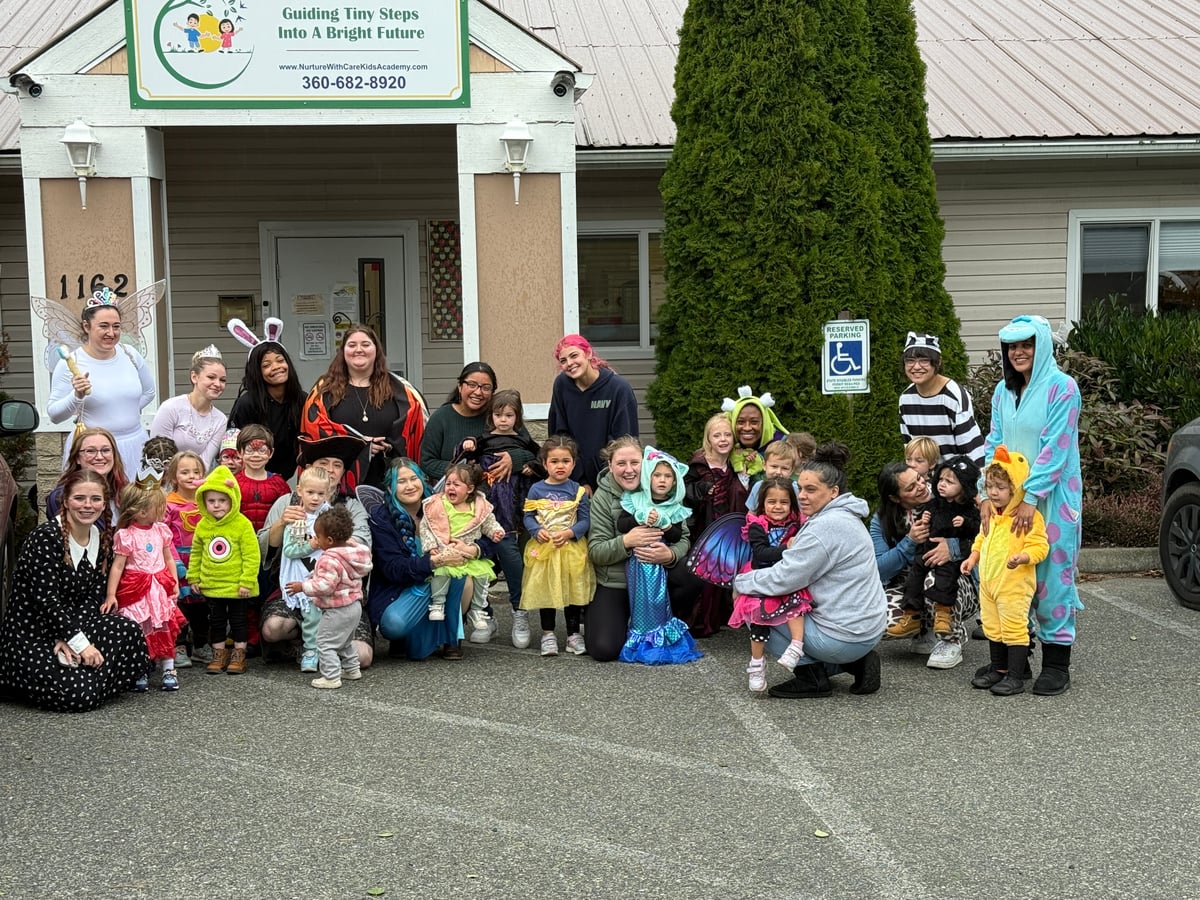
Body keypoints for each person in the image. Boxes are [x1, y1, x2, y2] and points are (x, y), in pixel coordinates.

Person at [732, 443, 886, 699]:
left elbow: (784, 579)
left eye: (811, 490)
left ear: (834, 491)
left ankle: (813, 678)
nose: (801, 495)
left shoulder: (825, 527)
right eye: (800, 488)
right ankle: (856, 662)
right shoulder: (848, 515)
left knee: (752, 604)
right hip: (868, 629)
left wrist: (740, 582)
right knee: (781, 601)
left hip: (844, 636)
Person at [980, 314, 1082, 695]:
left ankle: (1057, 666)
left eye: (1027, 345)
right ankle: (1012, 665)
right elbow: (994, 444)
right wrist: (983, 493)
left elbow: (1056, 447)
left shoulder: (1062, 388)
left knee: (1052, 579)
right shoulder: (1002, 392)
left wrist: (1032, 497)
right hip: (1006, 503)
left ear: (1041, 347)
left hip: (1052, 501)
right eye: (1012, 347)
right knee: (1007, 578)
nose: (1019, 353)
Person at [0, 469, 150, 712]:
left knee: (129, 632)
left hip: (69, 626)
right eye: (80, 498)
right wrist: (78, 642)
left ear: (104, 504)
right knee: (80, 695)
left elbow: (93, 599)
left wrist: (72, 638)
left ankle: (81, 678)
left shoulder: (101, 539)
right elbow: (45, 601)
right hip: (33, 634)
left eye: (95, 499)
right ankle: (71, 682)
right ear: (66, 501)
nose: (87, 505)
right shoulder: (46, 538)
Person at [258, 435, 376, 667]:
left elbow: (362, 545)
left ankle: (324, 645)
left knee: (362, 656)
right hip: (294, 587)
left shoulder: (351, 505)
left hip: (339, 591)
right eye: (324, 463)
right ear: (309, 468)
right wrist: (282, 524)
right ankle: (307, 645)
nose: (331, 471)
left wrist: (326, 533)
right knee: (273, 629)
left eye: (337, 465)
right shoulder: (286, 502)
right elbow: (263, 549)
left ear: (343, 472)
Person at [587, 436, 697, 662]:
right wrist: (627, 541)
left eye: (635, 463)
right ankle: (619, 620)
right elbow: (596, 551)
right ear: (610, 466)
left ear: (645, 463)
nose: (629, 470)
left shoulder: (662, 485)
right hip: (618, 582)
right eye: (621, 464)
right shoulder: (603, 496)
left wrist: (670, 555)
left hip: (658, 577)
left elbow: (683, 537)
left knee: (692, 574)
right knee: (603, 649)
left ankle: (665, 622)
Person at [871, 462, 979, 670]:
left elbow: (988, 539)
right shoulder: (882, 520)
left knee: (934, 576)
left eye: (919, 479)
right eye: (910, 487)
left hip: (958, 581)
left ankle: (951, 638)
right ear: (895, 498)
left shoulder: (951, 497)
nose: (921, 486)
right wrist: (909, 542)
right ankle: (924, 628)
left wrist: (954, 548)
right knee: (876, 621)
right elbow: (879, 569)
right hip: (908, 585)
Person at [456, 388, 542, 647]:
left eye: (509, 415)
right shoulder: (483, 439)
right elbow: (464, 456)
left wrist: (529, 466)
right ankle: (486, 616)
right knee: (484, 565)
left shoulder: (525, 441)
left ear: (517, 417)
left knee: (512, 560)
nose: (503, 420)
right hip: (485, 508)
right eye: (498, 414)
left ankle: (520, 612)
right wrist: (467, 445)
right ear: (490, 416)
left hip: (513, 508)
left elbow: (540, 460)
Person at [961, 447, 1050, 696]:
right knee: (992, 626)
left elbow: (1040, 546)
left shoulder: (1028, 518)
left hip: (1014, 584)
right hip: (989, 583)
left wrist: (1024, 557)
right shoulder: (992, 515)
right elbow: (982, 537)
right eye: (990, 486)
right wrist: (973, 556)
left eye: (1000, 487)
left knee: (1013, 628)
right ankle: (999, 669)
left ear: (1016, 487)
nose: (993, 492)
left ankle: (1016, 676)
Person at [367, 459, 474, 661]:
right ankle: (409, 635)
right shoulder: (381, 519)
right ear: (390, 488)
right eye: (401, 481)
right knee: (394, 625)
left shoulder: (444, 506)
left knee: (464, 578)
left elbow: (482, 532)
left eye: (413, 479)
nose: (409, 486)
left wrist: (473, 548)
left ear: (423, 481)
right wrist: (433, 563)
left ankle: (451, 638)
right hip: (401, 590)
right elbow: (392, 568)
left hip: (444, 579)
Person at [300, 323, 428, 490]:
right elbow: (314, 433)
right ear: (343, 352)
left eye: (366, 344)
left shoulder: (402, 390)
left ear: (376, 350)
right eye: (352, 345)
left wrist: (390, 446)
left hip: (389, 481)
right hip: (339, 483)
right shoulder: (323, 390)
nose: (358, 350)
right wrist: (359, 444)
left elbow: (415, 433)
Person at [47, 289, 157, 478]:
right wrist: (76, 396)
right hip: (96, 452)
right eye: (104, 326)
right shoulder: (70, 363)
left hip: (135, 445)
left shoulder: (130, 354)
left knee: (135, 505)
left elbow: (149, 392)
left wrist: (123, 412)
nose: (111, 333)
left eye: (116, 326)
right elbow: (54, 415)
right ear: (86, 326)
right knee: (96, 504)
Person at [616, 446, 700, 666]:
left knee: (658, 599)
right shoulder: (635, 500)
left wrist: (665, 523)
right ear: (648, 477)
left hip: (660, 564)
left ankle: (659, 635)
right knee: (640, 599)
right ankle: (640, 634)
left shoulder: (675, 507)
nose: (662, 480)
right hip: (637, 562)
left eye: (668, 476)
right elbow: (622, 524)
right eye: (657, 475)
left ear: (675, 481)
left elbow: (676, 535)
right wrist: (639, 518)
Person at [103, 480, 186, 692]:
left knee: (164, 626)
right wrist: (111, 595)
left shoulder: (161, 530)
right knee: (139, 627)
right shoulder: (126, 535)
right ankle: (140, 667)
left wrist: (173, 582)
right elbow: (117, 567)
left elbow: (168, 559)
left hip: (158, 586)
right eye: (158, 507)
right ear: (140, 512)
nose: (163, 510)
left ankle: (169, 668)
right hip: (136, 588)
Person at [730, 476, 811, 691]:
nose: (778, 507)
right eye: (771, 502)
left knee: (797, 601)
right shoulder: (758, 526)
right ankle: (756, 663)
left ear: (792, 505)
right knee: (759, 615)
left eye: (784, 502)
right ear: (762, 504)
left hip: (786, 574)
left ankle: (796, 645)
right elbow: (762, 554)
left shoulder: (797, 524)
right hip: (761, 576)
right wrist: (788, 547)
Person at [893, 456, 981, 643]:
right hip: (927, 549)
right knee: (914, 576)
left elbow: (978, 531)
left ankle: (944, 614)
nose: (942, 484)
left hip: (953, 558)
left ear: (964, 487)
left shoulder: (969, 508)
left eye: (949, 481)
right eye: (940, 479)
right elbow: (930, 516)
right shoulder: (934, 502)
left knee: (945, 577)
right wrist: (925, 518)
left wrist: (965, 524)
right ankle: (911, 614)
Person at [521, 436, 595, 657]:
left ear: (574, 463)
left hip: (570, 549)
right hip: (545, 550)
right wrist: (536, 530)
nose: (560, 466)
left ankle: (573, 634)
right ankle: (548, 634)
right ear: (545, 464)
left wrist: (570, 532)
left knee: (572, 593)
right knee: (547, 592)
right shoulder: (536, 490)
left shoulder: (578, 491)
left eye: (565, 461)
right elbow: (528, 516)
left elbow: (585, 520)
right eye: (554, 461)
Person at [285, 505, 373, 690]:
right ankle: (352, 669)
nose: (315, 539)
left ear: (330, 540)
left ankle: (331, 676)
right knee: (345, 641)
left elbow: (326, 586)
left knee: (324, 643)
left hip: (337, 609)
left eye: (318, 536)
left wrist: (303, 586)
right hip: (354, 606)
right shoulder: (352, 553)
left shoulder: (329, 558)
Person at [189, 465, 260, 675]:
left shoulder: (242, 524)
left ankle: (239, 655)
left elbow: (251, 555)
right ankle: (219, 655)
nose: (216, 505)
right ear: (203, 501)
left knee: (238, 621)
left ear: (232, 499)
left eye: (222, 500)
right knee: (216, 621)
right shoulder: (203, 525)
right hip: (212, 584)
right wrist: (194, 576)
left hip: (237, 586)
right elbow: (196, 552)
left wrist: (247, 581)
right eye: (211, 501)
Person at [419, 362, 537, 485]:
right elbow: (427, 462)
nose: (478, 392)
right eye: (472, 385)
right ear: (459, 386)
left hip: (507, 491)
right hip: (457, 494)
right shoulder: (441, 418)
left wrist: (515, 458)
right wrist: (466, 471)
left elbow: (535, 453)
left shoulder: (501, 417)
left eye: (486, 387)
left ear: (492, 392)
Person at [420, 462, 505, 631]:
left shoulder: (479, 507)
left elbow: (488, 523)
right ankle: (438, 604)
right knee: (441, 574)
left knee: (481, 577)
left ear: (470, 488)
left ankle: (477, 609)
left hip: (469, 554)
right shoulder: (437, 505)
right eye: (448, 483)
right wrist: (430, 547)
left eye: (456, 484)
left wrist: (495, 531)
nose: (450, 487)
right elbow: (426, 527)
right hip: (445, 552)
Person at [547, 334, 639, 490]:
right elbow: (559, 435)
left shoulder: (618, 388)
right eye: (563, 361)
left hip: (611, 480)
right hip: (574, 481)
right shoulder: (561, 385)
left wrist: (604, 480)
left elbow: (624, 441)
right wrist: (579, 479)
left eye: (574, 355)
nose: (569, 363)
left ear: (588, 353)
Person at [683, 413, 745, 638]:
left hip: (727, 524)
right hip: (705, 525)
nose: (723, 439)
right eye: (716, 435)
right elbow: (685, 491)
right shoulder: (699, 464)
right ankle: (699, 621)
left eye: (727, 434)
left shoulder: (735, 463)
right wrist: (702, 489)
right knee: (705, 573)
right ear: (708, 439)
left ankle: (718, 617)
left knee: (725, 570)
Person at [898, 332, 986, 470]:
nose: (916, 367)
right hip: (925, 480)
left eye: (924, 360)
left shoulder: (953, 396)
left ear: (937, 362)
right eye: (910, 361)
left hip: (957, 477)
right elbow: (910, 448)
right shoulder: (906, 398)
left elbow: (972, 450)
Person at [228, 327, 305, 480]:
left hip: (287, 478)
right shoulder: (247, 403)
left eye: (280, 360)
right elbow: (232, 444)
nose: (276, 367)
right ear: (257, 371)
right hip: (250, 479)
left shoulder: (302, 399)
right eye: (266, 365)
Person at [278, 467, 333, 674]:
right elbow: (290, 550)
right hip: (303, 577)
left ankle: (329, 651)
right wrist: (311, 545)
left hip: (328, 574)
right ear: (299, 491)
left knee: (331, 615)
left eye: (321, 493)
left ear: (327, 493)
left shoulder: (331, 517)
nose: (316, 498)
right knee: (311, 615)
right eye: (310, 492)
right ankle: (310, 650)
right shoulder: (296, 519)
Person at [149, 346, 228, 468]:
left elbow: (205, 461)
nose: (217, 384)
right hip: (164, 478)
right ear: (194, 377)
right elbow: (157, 454)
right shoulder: (171, 408)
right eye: (211, 377)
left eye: (222, 380)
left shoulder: (221, 420)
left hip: (196, 479)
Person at [165, 450, 209, 666]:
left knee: (203, 604)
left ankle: (201, 644)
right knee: (180, 605)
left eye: (197, 471)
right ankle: (179, 645)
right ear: (174, 477)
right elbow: (164, 538)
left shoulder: (208, 503)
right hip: (178, 561)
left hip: (203, 561)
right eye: (185, 472)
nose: (192, 476)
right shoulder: (168, 504)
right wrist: (175, 563)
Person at [45, 427, 128, 523]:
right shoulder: (60, 496)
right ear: (77, 458)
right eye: (90, 451)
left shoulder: (123, 491)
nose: (99, 457)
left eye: (105, 450)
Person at [722, 385, 789, 490]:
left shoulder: (784, 447)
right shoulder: (723, 449)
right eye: (740, 422)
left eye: (754, 422)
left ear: (764, 423)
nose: (747, 428)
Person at [234, 424, 292, 532]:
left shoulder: (279, 484)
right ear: (239, 453)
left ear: (271, 453)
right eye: (250, 450)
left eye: (262, 450)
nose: (256, 455)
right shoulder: (233, 482)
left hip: (270, 541)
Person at [744, 440, 801, 511]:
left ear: (791, 470)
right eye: (774, 466)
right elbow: (752, 513)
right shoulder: (758, 487)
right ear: (764, 465)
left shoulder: (795, 489)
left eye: (784, 468)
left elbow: (801, 514)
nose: (778, 472)